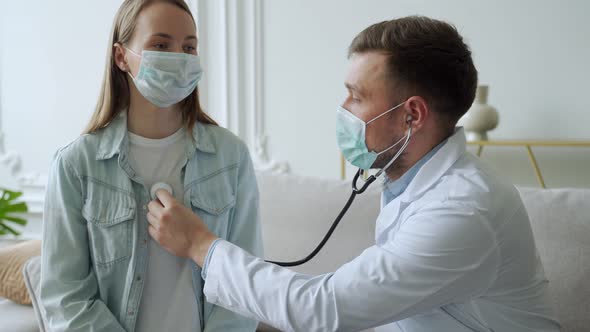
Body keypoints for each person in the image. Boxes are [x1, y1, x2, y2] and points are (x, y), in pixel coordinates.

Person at [147, 16, 562, 332]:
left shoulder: (462, 211)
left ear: (411, 115)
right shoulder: (412, 181)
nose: (343, 109)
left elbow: (323, 308)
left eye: (356, 96)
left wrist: (200, 245)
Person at [40, 1, 262, 331]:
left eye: (189, 47)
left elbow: (244, 284)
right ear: (121, 56)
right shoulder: (75, 164)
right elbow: (65, 298)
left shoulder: (232, 157)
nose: (179, 58)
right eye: (160, 45)